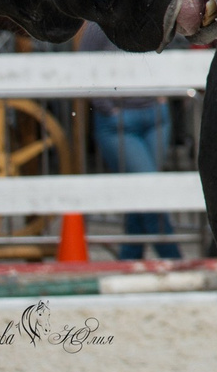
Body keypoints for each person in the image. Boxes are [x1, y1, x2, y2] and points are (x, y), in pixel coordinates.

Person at [76, 20, 182, 260]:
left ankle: (129, 257)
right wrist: (107, 108)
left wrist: (163, 95)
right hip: (119, 122)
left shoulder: (154, 9)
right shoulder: (98, 25)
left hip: (155, 117)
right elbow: (82, 65)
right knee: (149, 193)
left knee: (141, 196)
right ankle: (173, 257)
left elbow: (172, 51)